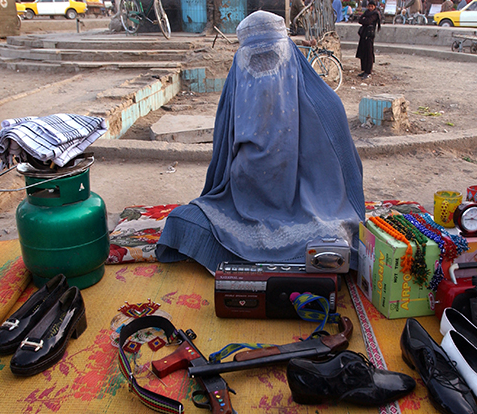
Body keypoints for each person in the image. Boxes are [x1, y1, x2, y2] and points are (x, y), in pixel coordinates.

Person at [155, 10, 365, 273]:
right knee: (180, 221)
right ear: (240, 64)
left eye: (272, 58)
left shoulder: (326, 107)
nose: (265, 71)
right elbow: (220, 172)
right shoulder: (234, 99)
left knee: (333, 235)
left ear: (289, 55)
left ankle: (246, 257)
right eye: (255, 61)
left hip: (307, 214)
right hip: (239, 208)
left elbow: (342, 184)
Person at [356, 0, 382, 79]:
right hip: (364, 34)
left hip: (369, 35)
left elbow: (367, 21)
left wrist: (364, 20)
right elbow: (360, 20)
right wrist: (364, 20)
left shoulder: (375, 14)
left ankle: (368, 71)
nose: (370, 8)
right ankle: (364, 69)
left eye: (372, 6)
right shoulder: (367, 12)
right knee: (363, 52)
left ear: (374, 7)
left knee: (369, 53)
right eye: (369, 6)